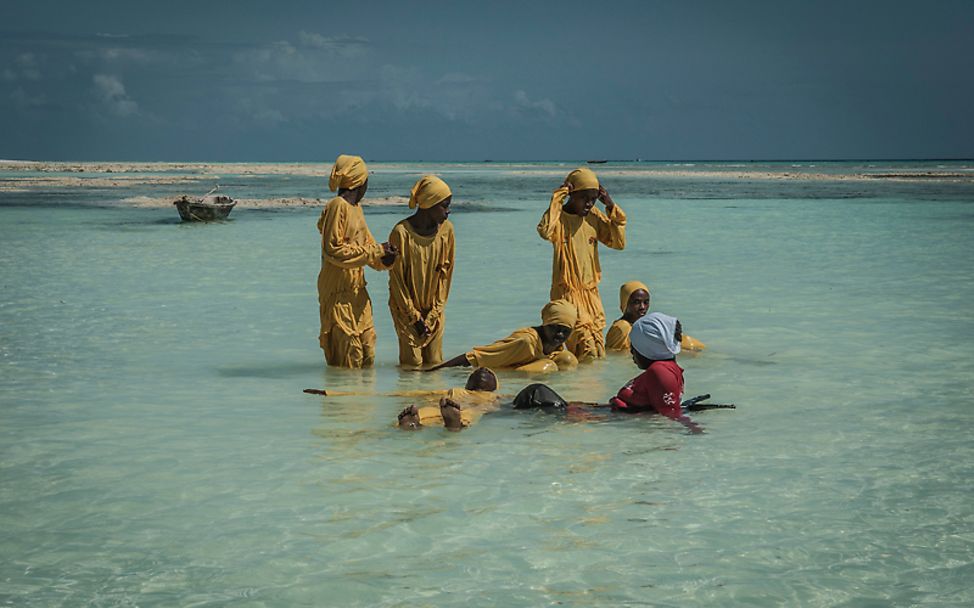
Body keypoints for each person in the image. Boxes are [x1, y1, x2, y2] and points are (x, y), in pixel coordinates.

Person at [316, 154, 398, 368]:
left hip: (357, 293)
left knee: (368, 352)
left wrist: (386, 258)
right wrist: (376, 251)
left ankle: (364, 400)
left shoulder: (356, 210)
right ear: (360, 182)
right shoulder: (338, 206)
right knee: (347, 358)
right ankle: (342, 399)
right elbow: (333, 251)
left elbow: (368, 248)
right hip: (338, 295)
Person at [537, 167, 626, 363]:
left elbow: (618, 243)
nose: (589, 203)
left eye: (593, 198)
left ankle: (590, 390)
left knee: (598, 349)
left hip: (591, 295)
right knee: (586, 348)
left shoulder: (593, 216)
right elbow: (545, 230)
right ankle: (577, 389)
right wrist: (558, 197)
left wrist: (610, 205)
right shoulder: (559, 218)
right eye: (584, 197)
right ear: (572, 194)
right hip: (567, 293)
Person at [387, 175, 455, 369]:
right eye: (444, 205)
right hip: (405, 312)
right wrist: (414, 318)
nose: (448, 211)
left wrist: (434, 314)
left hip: (434, 311)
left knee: (435, 364)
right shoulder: (401, 233)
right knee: (412, 366)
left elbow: (446, 277)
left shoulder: (447, 231)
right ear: (429, 204)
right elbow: (397, 281)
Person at [610, 312, 703, 433]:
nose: (631, 351)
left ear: (648, 347)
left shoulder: (660, 371)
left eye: (634, 345)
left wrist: (696, 430)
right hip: (618, 417)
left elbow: (671, 414)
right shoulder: (667, 369)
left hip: (617, 419)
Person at [428, 300, 579, 372]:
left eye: (565, 331)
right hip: (507, 372)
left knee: (569, 360)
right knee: (550, 367)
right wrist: (437, 370)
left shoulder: (557, 348)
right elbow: (478, 356)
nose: (560, 334)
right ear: (545, 323)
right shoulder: (525, 341)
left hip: (526, 367)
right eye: (555, 328)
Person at [605, 281, 706, 352]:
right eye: (636, 302)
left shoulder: (642, 325)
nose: (642, 307)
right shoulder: (622, 328)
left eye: (646, 302)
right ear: (625, 303)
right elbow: (618, 357)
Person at [396, 367, 501, 431]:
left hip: (443, 406)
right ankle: (455, 424)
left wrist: (389, 394)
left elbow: (420, 394)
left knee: (427, 411)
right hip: (464, 408)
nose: (483, 369)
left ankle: (415, 421)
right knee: (472, 412)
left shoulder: (455, 390)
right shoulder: (492, 396)